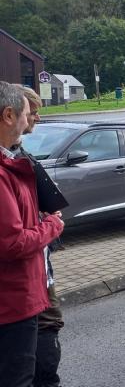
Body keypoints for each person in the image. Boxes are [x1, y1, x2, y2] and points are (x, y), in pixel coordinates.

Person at [0, 81, 65, 386]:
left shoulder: (16, 160)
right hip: (14, 299)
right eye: (29, 113)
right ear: (9, 115)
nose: (33, 119)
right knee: (19, 375)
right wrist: (52, 225)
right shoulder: (6, 169)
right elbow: (12, 243)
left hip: (28, 286)